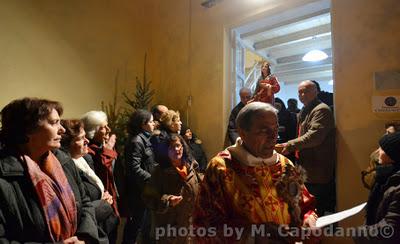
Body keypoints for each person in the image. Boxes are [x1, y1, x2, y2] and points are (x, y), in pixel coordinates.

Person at [194, 102, 318, 243]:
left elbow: (305, 206)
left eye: (276, 128)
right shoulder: (222, 168)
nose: (274, 137)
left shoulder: (285, 165)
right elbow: (205, 225)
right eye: (264, 131)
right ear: (242, 132)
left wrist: (309, 219)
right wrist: (252, 235)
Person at [0, 98, 99, 243]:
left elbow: (84, 202)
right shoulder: (5, 177)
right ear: (27, 130)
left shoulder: (63, 161)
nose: (62, 130)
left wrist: (84, 237)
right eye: (54, 123)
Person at [279, 80, 336, 216]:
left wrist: (289, 145)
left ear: (316, 91)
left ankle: (317, 234)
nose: (302, 94)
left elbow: (314, 136)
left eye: (306, 91)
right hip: (306, 163)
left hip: (317, 165)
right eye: (300, 92)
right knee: (306, 202)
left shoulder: (321, 109)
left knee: (316, 205)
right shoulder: (306, 110)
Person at [60, 119, 119, 243]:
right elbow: (79, 209)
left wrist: (104, 193)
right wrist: (104, 204)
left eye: (85, 136)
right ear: (67, 144)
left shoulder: (84, 159)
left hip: (101, 226)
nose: (87, 141)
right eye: (81, 138)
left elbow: (96, 186)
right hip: (87, 232)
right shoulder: (65, 168)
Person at [143, 134, 201, 243]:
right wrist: (167, 200)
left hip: (191, 232)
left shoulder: (192, 167)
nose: (176, 149)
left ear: (183, 147)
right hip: (170, 233)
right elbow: (148, 198)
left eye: (178, 145)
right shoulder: (159, 172)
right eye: (171, 147)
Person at [354, 132, 400, 243]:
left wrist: (358, 233)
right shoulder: (385, 176)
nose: (378, 151)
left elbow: (390, 229)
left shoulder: (396, 187)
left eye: (382, 149)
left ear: (393, 156)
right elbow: (367, 178)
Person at [123, 109, 158, 244]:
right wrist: (151, 179)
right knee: (136, 226)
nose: (154, 124)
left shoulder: (145, 138)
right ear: (143, 124)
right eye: (150, 121)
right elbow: (134, 168)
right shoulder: (136, 141)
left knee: (145, 225)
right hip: (139, 191)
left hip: (145, 189)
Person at [81, 111, 120, 217]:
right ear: (92, 131)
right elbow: (101, 172)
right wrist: (107, 151)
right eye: (103, 127)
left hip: (111, 198)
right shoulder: (87, 152)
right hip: (100, 202)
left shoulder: (101, 146)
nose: (109, 130)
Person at [361, 121, 400, 189]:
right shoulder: (380, 150)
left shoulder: (388, 155)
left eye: (389, 133)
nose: (385, 135)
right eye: (386, 132)